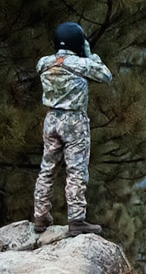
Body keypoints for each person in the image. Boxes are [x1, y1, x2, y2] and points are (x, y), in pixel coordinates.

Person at [33, 22, 112, 236]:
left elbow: (50, 65)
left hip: (51, 120)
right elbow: (105, 75)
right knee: (76, 170)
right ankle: (76, 220)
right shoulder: (81, 64)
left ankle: (40, 216)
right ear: (78, 42)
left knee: (47, 167)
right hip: (74, 122)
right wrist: (90, 55)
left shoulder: (44, 63)